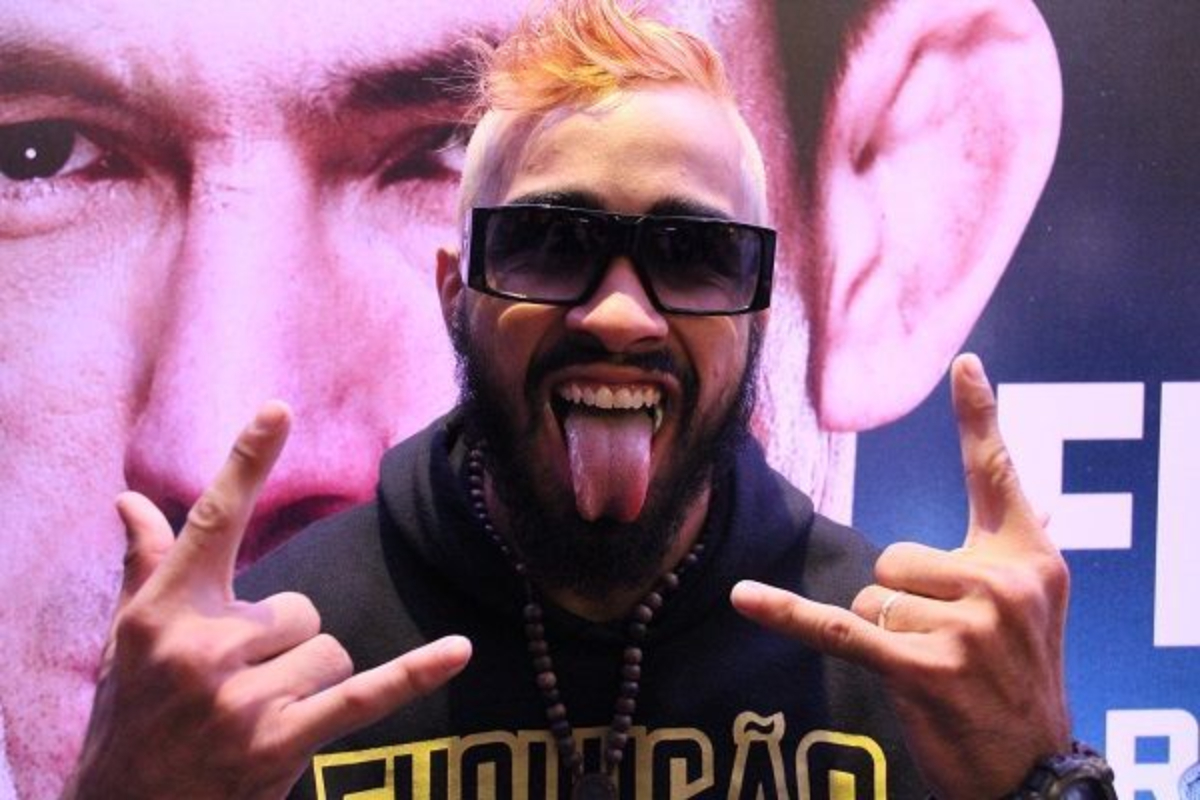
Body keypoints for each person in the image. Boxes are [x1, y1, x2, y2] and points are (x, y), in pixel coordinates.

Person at [0, 0, 1061, 795]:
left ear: (759, 300)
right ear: (456, 292)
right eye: (550, 244)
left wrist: (1042, 771)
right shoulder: (261, 675)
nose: (620, 315)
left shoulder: (908, 680)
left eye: (691, 254)